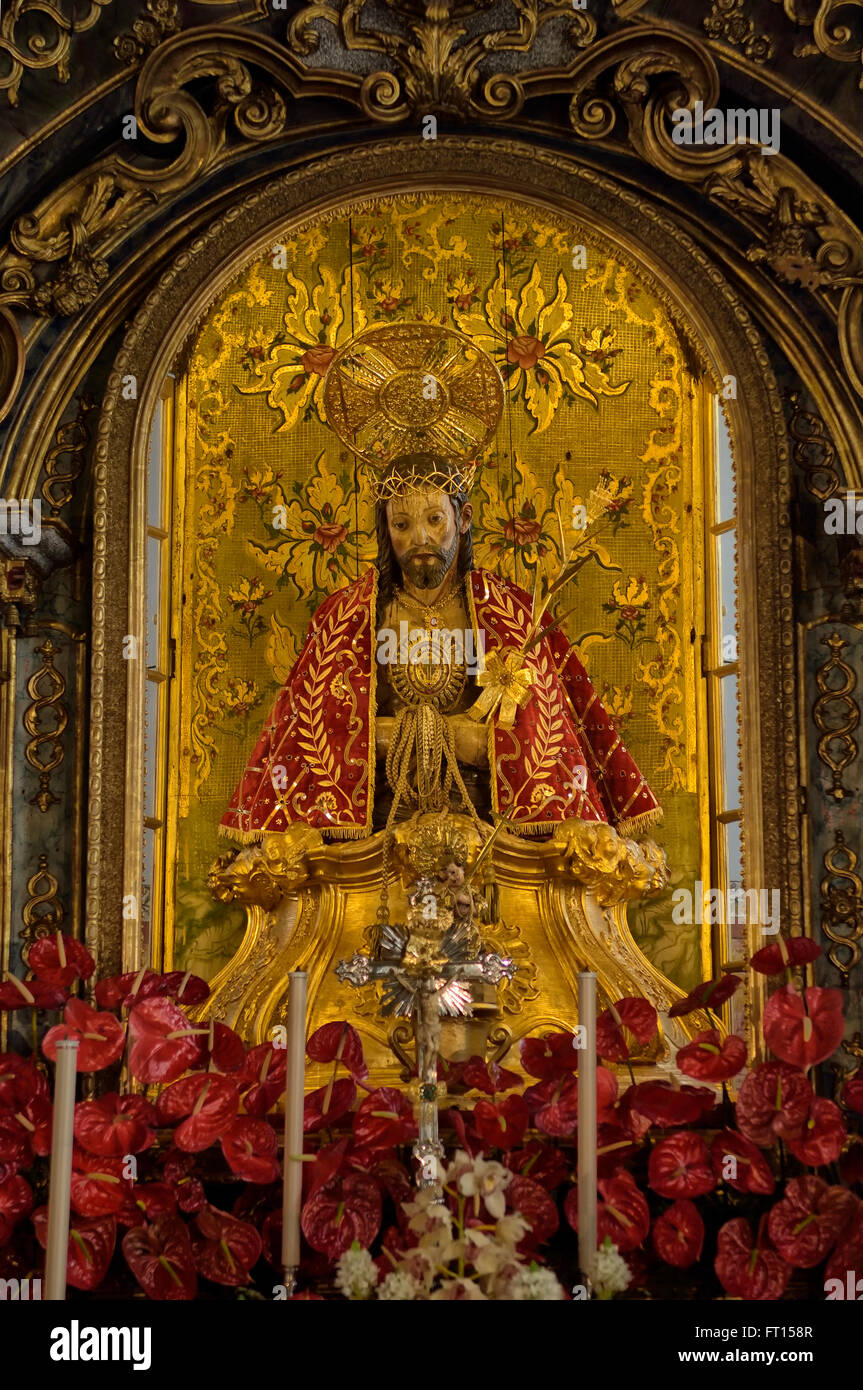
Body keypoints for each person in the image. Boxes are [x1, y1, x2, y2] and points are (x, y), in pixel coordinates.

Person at [219, 451, 661, 842]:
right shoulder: (347, 617)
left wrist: (476, 741)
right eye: (402, 524)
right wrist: (435, 734)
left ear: (462, 519)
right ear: (384, 529)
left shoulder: (511, 615)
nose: (420, 539)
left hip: (488, 828)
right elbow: (318, 735)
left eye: (434, 519)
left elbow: (540, 738)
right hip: (376, 830)